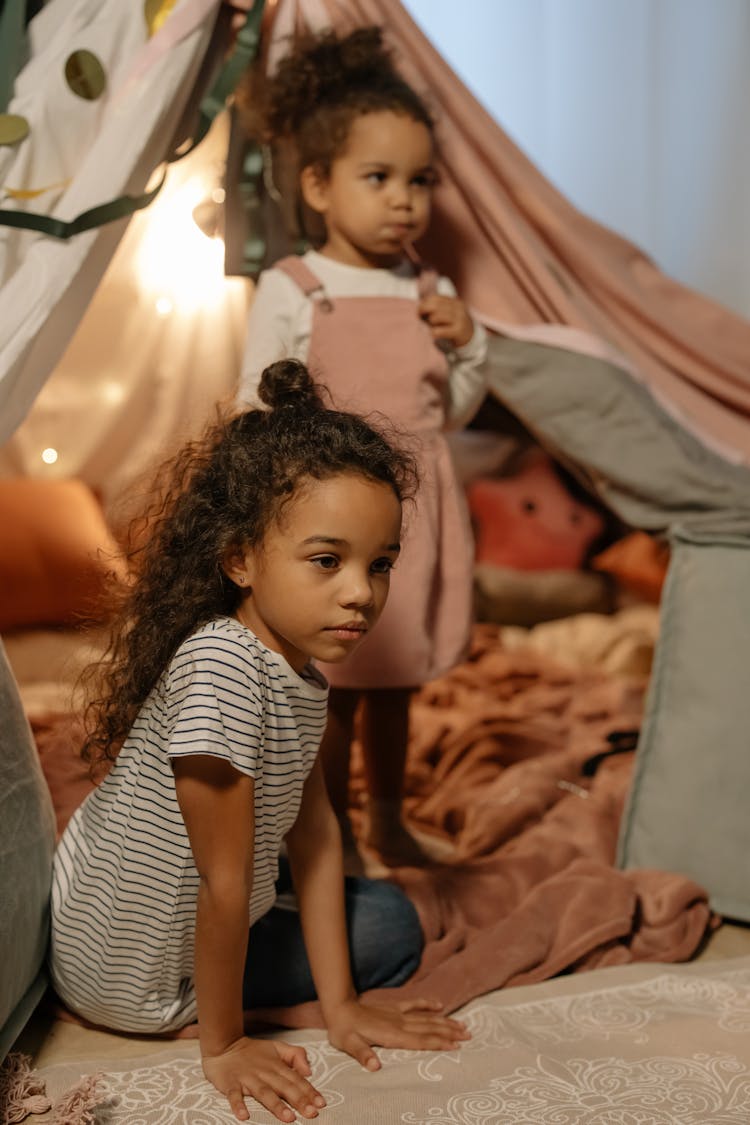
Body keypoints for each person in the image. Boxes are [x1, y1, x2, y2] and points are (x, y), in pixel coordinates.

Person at [49, 360, 469, 1125]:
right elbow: (227, 885)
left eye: (380, 565)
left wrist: (342, 1008)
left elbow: (313, 836)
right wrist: (226, 1046)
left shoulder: (291, 669)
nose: (361, 592)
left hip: (136, 933)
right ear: (240, 558)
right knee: (392, 921)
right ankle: (215, 1017)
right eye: (326, 560)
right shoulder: (221, 666)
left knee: (358, 900)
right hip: (129, 977)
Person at [237, 26, 488, 871]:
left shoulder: (431, 291)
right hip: (329, 517)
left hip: (408, 521)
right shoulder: (294, 285)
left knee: (397, 678)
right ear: (318, 183)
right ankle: (327, 829)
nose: (403, 201)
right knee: (330, 686)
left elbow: (447, 410)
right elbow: (255, 405)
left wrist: (471, 348)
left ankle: (385, 817)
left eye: (419, 182)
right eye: (377, 178)